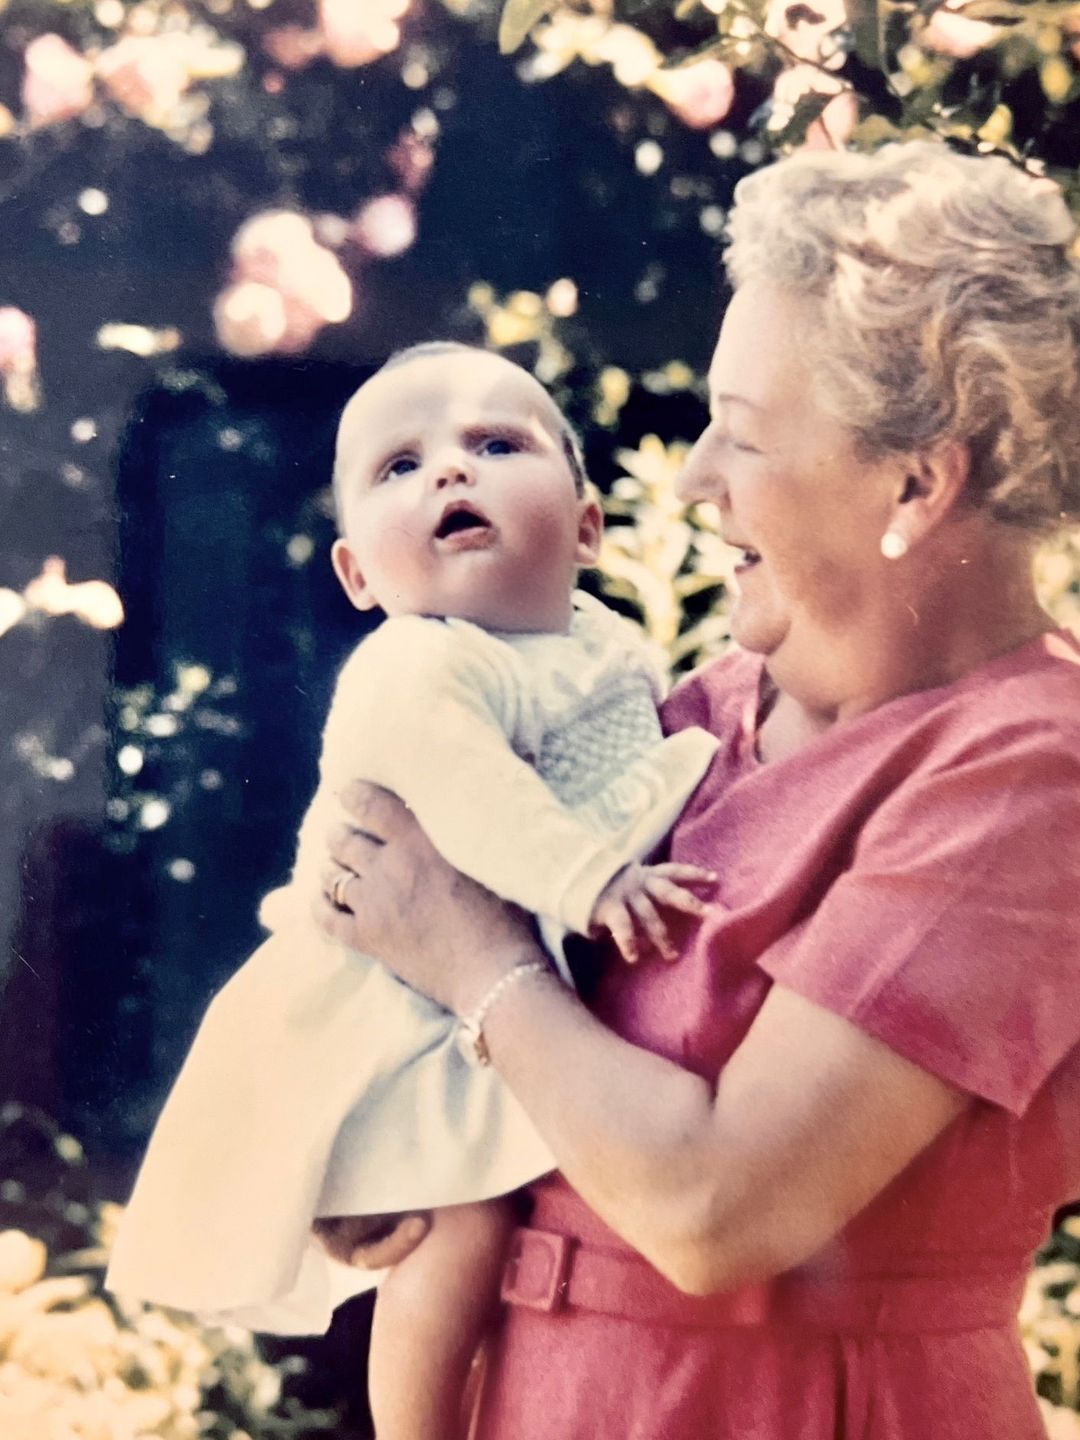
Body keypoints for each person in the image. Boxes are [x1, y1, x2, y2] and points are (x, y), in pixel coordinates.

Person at [314, 142, 1080, 1439]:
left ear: (917, 480)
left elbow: (718, 1210)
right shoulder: (703, 711)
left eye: (744, 432)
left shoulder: (1027, 775)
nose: (690, 479)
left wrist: (469, 956)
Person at [105, 343, 719, 1440]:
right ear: (359, 578)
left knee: (503, 1214)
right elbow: (466, 789)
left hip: (478, 988)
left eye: (495, 445)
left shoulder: (600, 649)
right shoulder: (421, 662)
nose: (450, 473)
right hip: (383, 993)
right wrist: (590, 879)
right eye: (402, 466)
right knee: (455, 1222)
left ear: (586, 529)